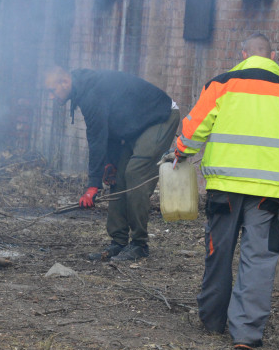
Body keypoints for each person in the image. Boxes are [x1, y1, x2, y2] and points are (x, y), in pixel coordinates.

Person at [173, 33, 279, 350]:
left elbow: (195, 125)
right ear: (273, 56)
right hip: (267, 191)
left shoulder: (222, 84)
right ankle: (246, 332)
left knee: (219, 251)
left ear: (243, 54)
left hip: (225, 186)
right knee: (259, 258)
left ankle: (212, 320)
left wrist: (181, 151)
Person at [44, 66, 179, 261]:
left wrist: (93, 185)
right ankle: (119, 241)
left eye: (51, 90)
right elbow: (111, 129)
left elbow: (97, 138)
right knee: (117, 177)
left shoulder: (90, 93)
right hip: (137, 124)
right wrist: (110, 163)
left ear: (64, 82)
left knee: (135, 173)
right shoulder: (82, 90)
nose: (50, 96)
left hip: (160, 117)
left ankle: (139, 244)